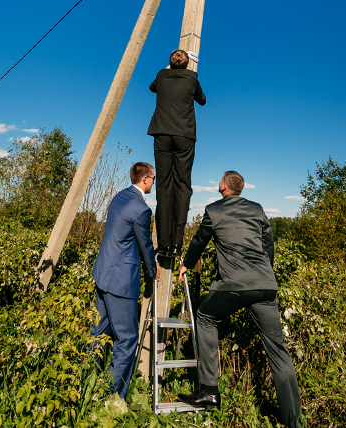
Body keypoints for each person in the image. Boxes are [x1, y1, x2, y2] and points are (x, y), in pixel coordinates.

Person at [177, 171, 301, 428]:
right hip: (266, 284)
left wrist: (186, 264)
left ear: (223, 186)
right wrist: (263, 274)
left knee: (205, 317)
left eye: (219, 180)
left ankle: (209, 391)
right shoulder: (257, 209)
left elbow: (200, 242)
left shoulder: (213, 210)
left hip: (233, 284)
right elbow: (269, 245)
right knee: (278, 350)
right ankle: (294, 421)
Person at [89, 162, 160, 399]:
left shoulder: (119, 197)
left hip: (102, 274)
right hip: (120, 281)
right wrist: (153, 270)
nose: (153, 182)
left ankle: (88, 383)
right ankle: (110, 395)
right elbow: (145, 245)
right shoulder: (141, 209)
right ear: (145, 180)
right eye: (153, 178)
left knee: (99, 333)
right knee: (127, 340)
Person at [147, 48, 206, 258]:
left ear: (170, 63)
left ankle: (163, 244)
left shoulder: (161, 76)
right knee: (183, 185)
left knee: (163, 186)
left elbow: (152, 87)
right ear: (188, 64)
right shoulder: (192, 79)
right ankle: (176, 244)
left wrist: (167, 68)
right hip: (184, 135)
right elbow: (203, 100)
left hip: (161, 133)